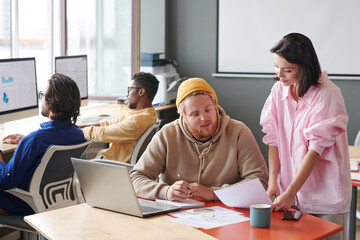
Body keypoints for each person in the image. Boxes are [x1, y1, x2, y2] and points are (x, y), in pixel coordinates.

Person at [260, 33, 350, 239]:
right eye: (276, 67)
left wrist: (291, 191)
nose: (279, 75)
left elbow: (314, 150)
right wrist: (273, 180)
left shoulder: (328, 94)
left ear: (305, 66)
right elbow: (272, 139)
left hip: (325, 196)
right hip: (289, 195)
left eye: (287, 70)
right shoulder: (278, 91)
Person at [130, 78, 268, 201]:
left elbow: (260, 181)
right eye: (195, 114)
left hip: (228, 217)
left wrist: (214, 193)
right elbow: (135, 178)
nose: (204, 118)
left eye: (208, 110)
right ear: (183, 116)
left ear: (215, 105)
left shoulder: (239, 132)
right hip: (176, 218)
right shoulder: (167, 134)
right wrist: (165, 191)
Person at [0, 73, 87, 215]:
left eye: (42, 94)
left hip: (27, 204)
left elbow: (5, 181)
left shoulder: (35, 140)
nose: (40, 98)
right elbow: (49, 139)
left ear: (51, 102)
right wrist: (25, 141)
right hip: (53, 201)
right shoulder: (77, 133)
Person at [81, 72, 159, 162]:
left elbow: (102, 133)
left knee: (75, 166)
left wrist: (73, 132)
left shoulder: (137, 121)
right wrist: (78, 127)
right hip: (111, 163)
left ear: (141, 92)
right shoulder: (145, 114)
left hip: (113, 166)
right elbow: (108, 124)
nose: (127, 95)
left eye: (129, 90)